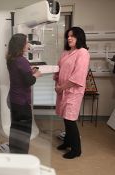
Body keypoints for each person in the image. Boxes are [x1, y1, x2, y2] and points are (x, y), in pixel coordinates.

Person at [54, 27, 90, 159]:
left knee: (70, 119)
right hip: (62, 90)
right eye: (68, 36)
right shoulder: (65, 53)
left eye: (72, 36)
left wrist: (61, 87)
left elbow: (78, 77)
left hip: (73, 91)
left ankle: (76, 149)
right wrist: (57, 83)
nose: (69, 38)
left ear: (79, 37)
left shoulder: (83, 53)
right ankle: (67, 142)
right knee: (65, 117)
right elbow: (58, 69)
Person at [6, 33, 41, 153]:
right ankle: (22, 156)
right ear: (21, 45)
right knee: (24, 131)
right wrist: (36, 74)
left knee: (15, 127)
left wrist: (29, 72)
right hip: (22, 103)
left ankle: (14, 152)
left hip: (14, 100)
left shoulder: (11, 59)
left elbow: (20, 76)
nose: (28, 45)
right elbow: (29, 81)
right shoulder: (22, 61)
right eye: (26, 42)